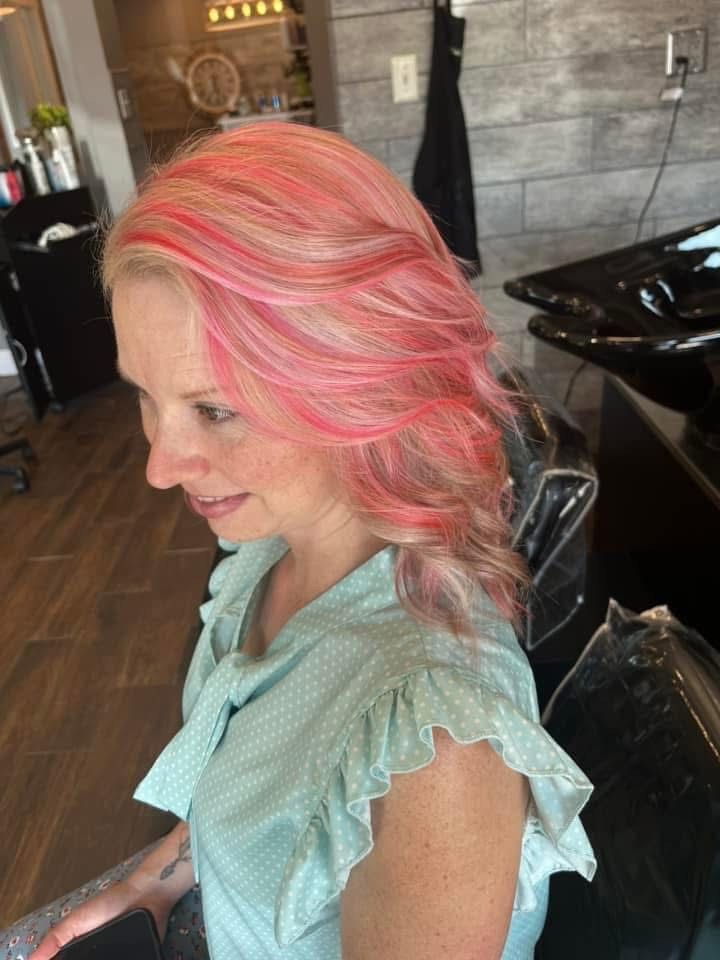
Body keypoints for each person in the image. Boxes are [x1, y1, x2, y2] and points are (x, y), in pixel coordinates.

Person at [8, 122, 595, 960]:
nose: (161, 467)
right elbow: (263, 789)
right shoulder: (271, 561)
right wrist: (164, 875)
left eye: (214, 409)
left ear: (362, 383)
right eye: (146, 395)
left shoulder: (436, 748)